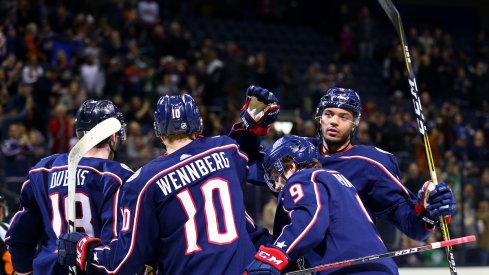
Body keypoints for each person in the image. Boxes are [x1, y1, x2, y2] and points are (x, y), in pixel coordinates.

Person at [57, 94, 259, 274]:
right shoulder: (226, 148)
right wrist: (251, 127)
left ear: (159, 133)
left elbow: (125, 262)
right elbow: (250, 159)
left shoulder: (143, 181)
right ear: (198, 125)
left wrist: (85, 249)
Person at [308, 87, 456, 242]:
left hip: (353, 260)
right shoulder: (295, 152)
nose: (334, 122)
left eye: (344, 117)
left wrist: (429, 211)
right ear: (320, 118)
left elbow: (413, 227)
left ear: (354, 124)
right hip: (296, 260)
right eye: (328, 114)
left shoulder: (372, 164)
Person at [5, 99, 133, 274]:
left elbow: (18, 237)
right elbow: (119, 247)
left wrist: (24, 271)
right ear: (113, 137)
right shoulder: (117, 176)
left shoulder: (42, 169)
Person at [245, 135, 398, 274]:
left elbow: (310, 219)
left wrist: (275, 255)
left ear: (291, 167)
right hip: (381, 267)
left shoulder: (303, 178)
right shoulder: (335, 179)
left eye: (276, 176)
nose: (277, 186)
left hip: (350, 270)